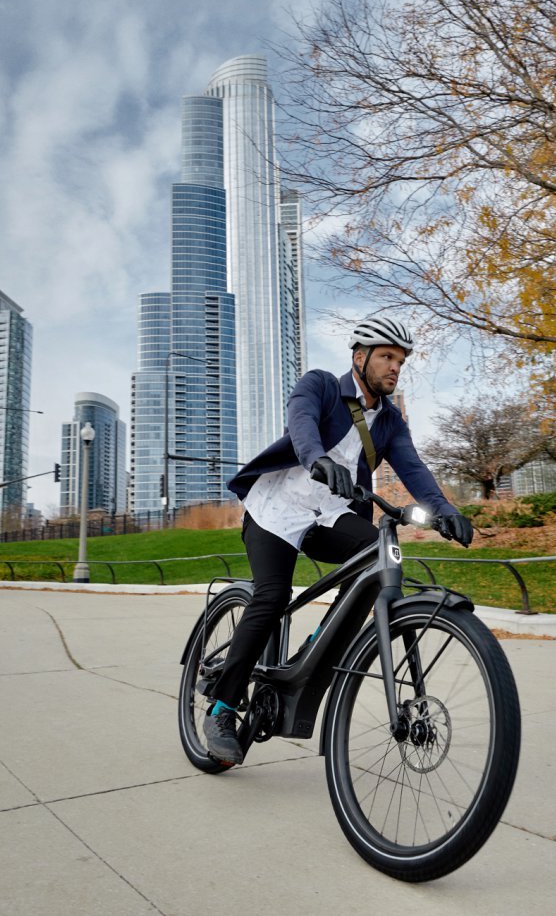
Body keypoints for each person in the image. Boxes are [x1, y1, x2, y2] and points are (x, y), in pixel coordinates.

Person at [203, 315, 474, 764]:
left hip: (327, 515)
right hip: (276, 511)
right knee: (271, 598)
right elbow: (302, 422)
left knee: (379, 557)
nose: (394, 368)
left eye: (401, 362)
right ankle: (223, 707)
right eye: (387, 356)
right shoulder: (322, 385)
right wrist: (316, 459)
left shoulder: (390, 422)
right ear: (360, 356)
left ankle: (316, 648)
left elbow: (414, 469)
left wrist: (445, 509)